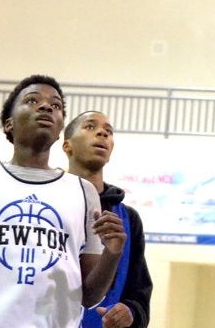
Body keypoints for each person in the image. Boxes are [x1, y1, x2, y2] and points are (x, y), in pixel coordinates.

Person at [0, 75, 127, 328]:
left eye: (55, 106)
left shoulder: (83, 191)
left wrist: (113, 253)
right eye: (33, 101)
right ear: (9, 124)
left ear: (60, 127)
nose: (46, 107)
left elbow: (89, 296)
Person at [63, 111, 153, 328]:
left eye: (108, 131)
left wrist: (130, 311)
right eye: (90, 127)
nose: (102, 133)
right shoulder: (47, 205)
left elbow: (139, 291)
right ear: (67, 146)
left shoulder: (128, 218)